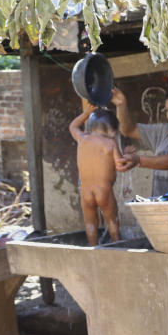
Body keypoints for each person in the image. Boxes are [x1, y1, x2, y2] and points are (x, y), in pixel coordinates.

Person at [68, 100, 123, 246]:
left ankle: (93, 248)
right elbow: (120, 165)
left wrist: (85, 114)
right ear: (112, 130)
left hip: (85, 192)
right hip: (104, 190)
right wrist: (127, 155)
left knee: (90, 224)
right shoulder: (111, 143)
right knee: (112, 220)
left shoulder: (82, 139)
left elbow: (72, 126)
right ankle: (118, 246)